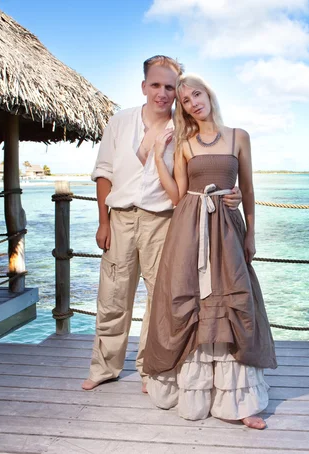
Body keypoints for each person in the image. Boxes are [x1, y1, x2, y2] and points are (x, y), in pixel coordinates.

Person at [82, 56, 242, 393]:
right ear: (144, 86)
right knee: (112, 297)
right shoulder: (120, 122)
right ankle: (104, 367)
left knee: (161, 301)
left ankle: (149, 368)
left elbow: (204, 175)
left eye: (170, 87)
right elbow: (104, 173)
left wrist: (233, 194)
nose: (162, 93)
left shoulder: (184, 130)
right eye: (156, 85)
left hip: (164, 222)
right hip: (121, 219)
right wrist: (103, 223)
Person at [143, 73, 277, 430]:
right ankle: (193, 394)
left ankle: (240, 401)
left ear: (208, 94)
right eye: (185, 100)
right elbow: (177, 195)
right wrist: (160, 157)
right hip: (190, 227)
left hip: (229, 228)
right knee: (190, 302)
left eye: (196, 95)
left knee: (235, 300)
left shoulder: (239, 136)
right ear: (183, 108)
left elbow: (247, 189)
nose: (193, 103)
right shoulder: (185, 143)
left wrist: (251, 233)